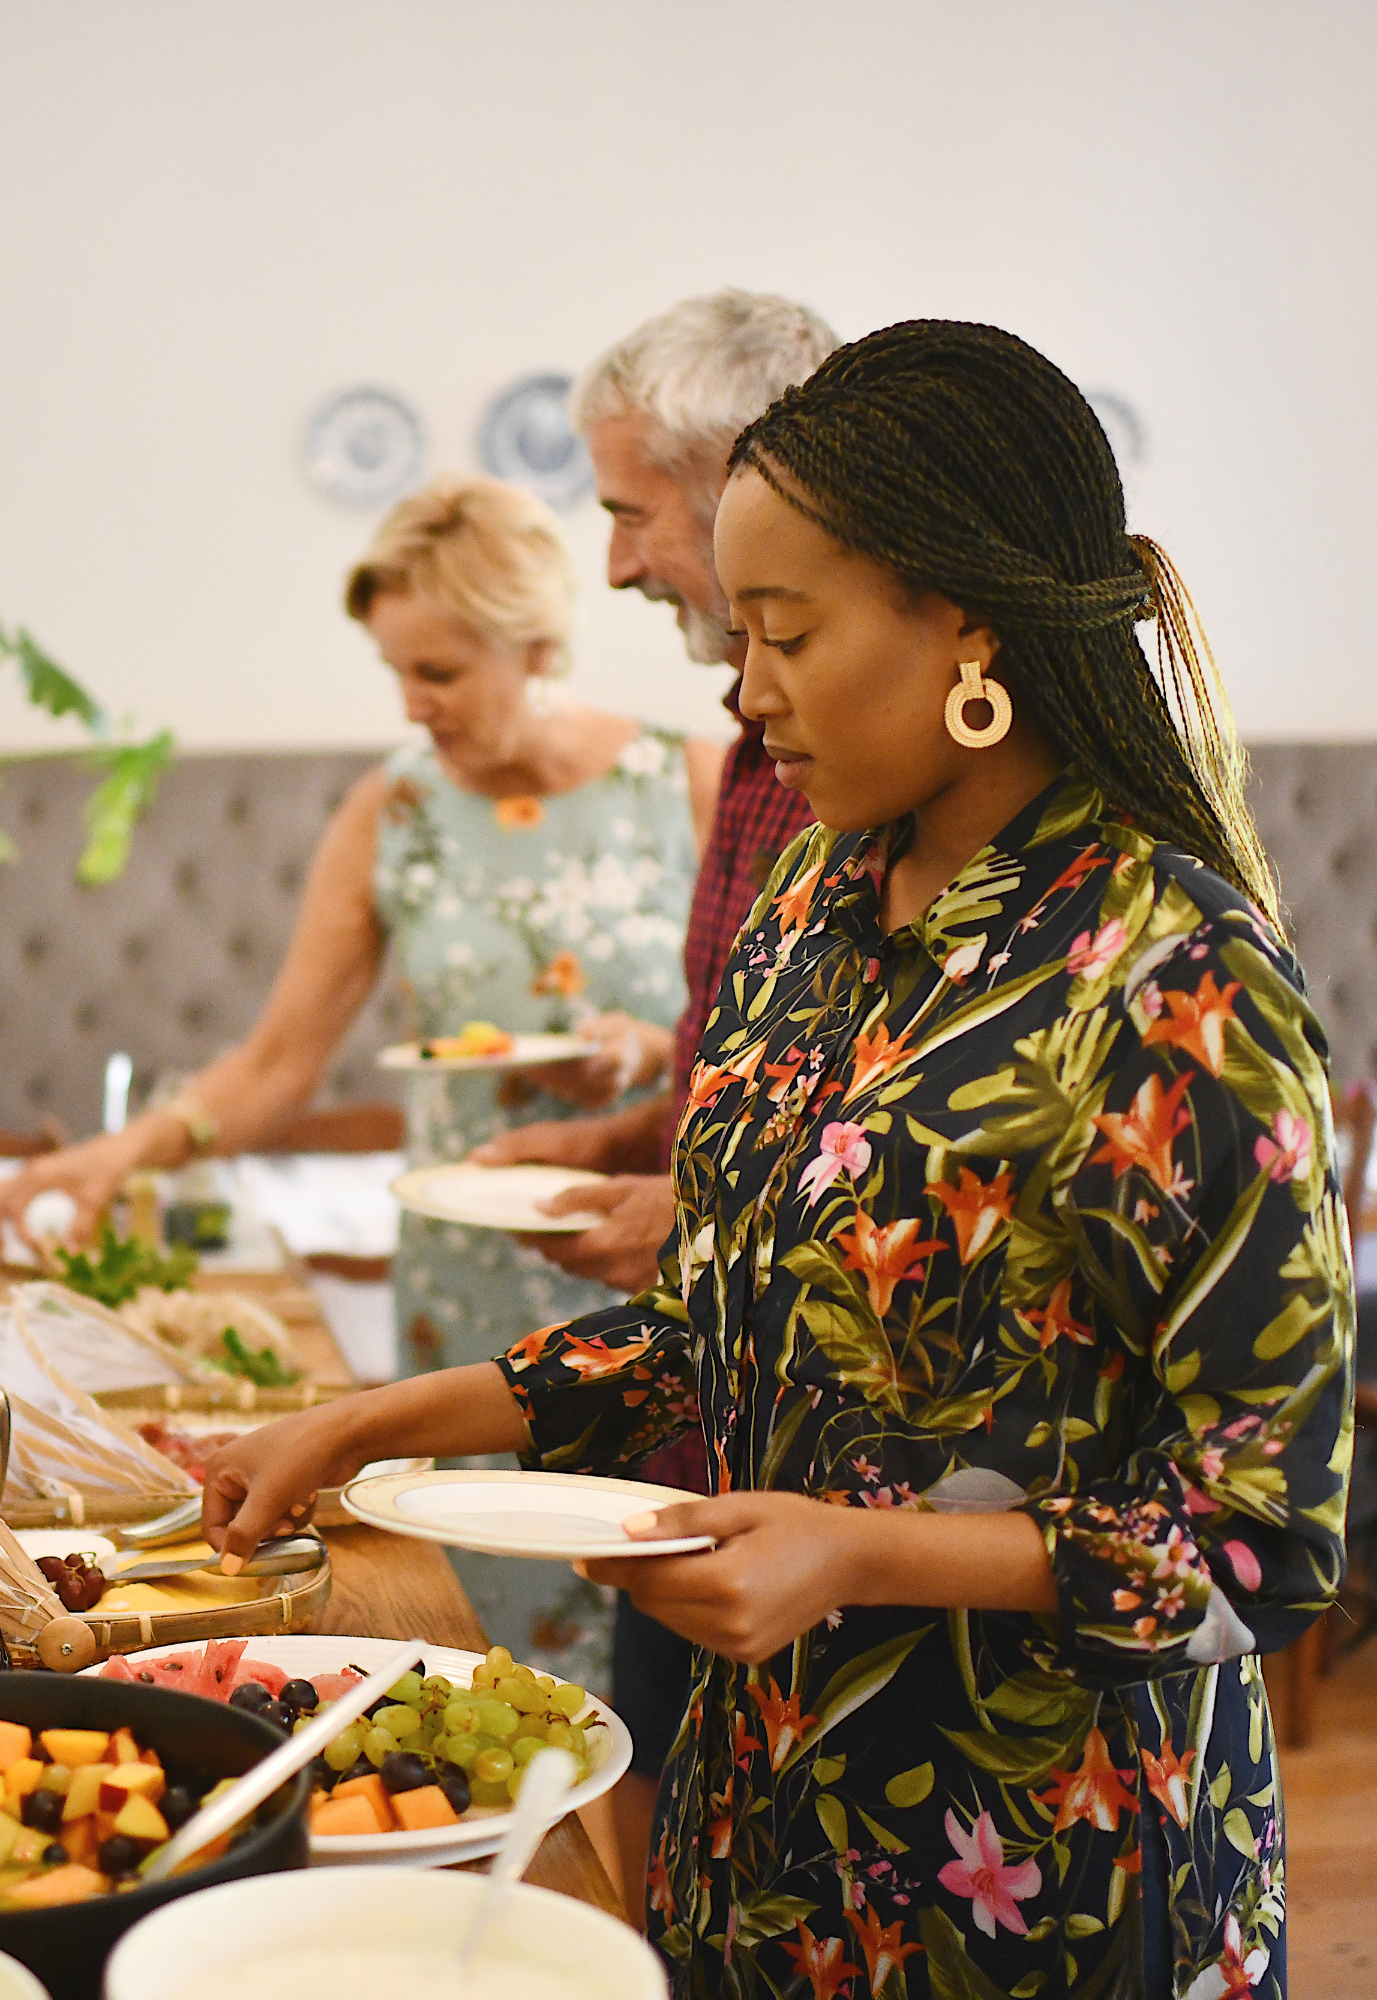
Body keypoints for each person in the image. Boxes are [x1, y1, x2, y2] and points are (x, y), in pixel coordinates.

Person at [200, 321, 1352, 2000]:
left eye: (789, 634)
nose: (748, 691)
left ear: (965, 623)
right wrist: (381, 1420)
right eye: (739, 636)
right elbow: (727, 1319)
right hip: (767, 1826)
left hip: (1042, 1871)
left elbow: (1268, 1541)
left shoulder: (1169, 977)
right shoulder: (818, 900)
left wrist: (861, 1550)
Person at [0, 471, 721, 1684]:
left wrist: (653, 1048)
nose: (414, 705)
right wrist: (116, 1152)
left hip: (655, 1257)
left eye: (441, 671)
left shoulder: (692, 780)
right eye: (396, 673)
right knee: (477, 1626)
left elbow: (756, 1034)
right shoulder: (395, 809)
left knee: (647, 1636)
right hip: (464, 1281)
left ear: (535, 640)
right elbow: (278, 1064)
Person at [468, 289, 835, 1915]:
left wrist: (695, 1201)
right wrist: (640, 1144)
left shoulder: (862, 770)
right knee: (675, 1882)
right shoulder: (768, 739)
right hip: (691, 1421)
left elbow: (860, 1149)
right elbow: (745, 1072)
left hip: (806, 1498)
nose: (610, 561)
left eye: (625, 509)